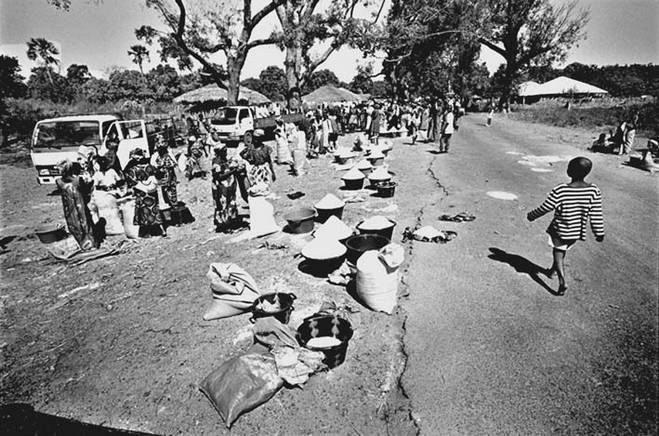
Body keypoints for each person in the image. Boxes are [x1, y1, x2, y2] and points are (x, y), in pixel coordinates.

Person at [527, 157, 605, 295]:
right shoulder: (593, 190)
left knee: (558, 253)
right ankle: (552, 272)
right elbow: (596, 214)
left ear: (570, 171)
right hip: (576, 232)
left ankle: (562, 281)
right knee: (562, 250)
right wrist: (599, 232)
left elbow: (546, 207)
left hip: (560, 230)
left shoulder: (561, 190)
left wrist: (532, 215)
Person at [55, 160, 98, 250]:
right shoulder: (78, 179)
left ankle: (84, 244)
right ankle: (90, 243)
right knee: (85, 222)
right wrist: (90, 182)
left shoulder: (59, 181)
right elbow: (86, 191)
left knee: (75, 224)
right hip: (79, 205)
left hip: (70, 207)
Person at [124, 148, 167, 237]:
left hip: (141, 192)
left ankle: (146, 232)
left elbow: (131, 181)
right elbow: (159, 174)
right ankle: (161, 230)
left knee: (144, 211)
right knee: (155, 210)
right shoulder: (149, 166)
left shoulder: (132, 169)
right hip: (152, 191)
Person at [211, 145, 240, 232]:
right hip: (221, 187)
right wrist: (232, 171)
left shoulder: (224, 160)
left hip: (228, 186)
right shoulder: (216, 162)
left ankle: (231, 221)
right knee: (222, 204)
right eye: (224, 150)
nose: (226, 152)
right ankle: (224, 225)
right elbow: (219, 176)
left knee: (230, 203)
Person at [240, 129, 276, 195]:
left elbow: (269, 161)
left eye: (258, 138)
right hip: (255, 172)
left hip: (265, 171)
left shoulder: (266, 148)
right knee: (256, 189)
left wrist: (273, 172)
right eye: (255, 138)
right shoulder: (250, 148)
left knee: (265, 188)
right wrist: (249, 162)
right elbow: (242, 154)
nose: (256, 140)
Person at [150, 136, 179, 208]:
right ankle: (169, 204)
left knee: (172, 189)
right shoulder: (156, 155)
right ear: (157, 143)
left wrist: (172, 164)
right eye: (161, 142)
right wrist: (159, 167)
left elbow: (174, 162)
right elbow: (153, 165)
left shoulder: (169, 152)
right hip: (163, 175)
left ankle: (174, 204)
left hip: (171, 174)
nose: (163, 143)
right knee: (166, 190)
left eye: (164, 141)